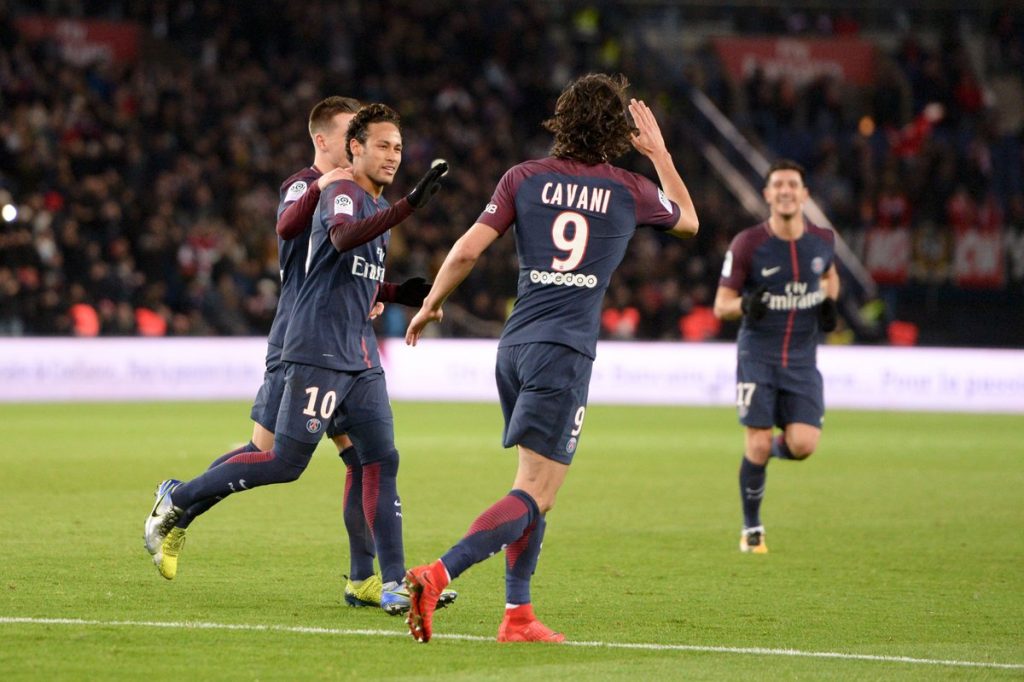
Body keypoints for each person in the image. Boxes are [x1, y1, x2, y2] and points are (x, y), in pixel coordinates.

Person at [401, 73, 700, 643]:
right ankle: (437, 574)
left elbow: (466, 250)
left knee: (533, 490)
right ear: (617, 132)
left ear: (562, 119)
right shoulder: (630, 188)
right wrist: (659, 154)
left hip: (515, 347)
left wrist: (431, 304)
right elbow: (689, 221)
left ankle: (518, 616)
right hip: (563, 353)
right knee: (536, 494)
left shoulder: (523, 177)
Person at [144, 102, 452, 614]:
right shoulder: (323, 188)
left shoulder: (370, 204)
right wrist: (405, 205)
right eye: (378, 143)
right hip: (306, 339)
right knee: (278, 458)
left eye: (398, 147)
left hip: (354, 346)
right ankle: (178, 501)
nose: (391, 155)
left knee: (373, 459)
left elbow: (350, 270)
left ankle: (383, 580)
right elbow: (308, 232)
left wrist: (396, 293)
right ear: (339, 142)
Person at [712, 159, 840, 554]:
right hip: (758, 357)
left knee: (804, 445)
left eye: (792, 185)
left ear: (804, 194)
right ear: (767, 194)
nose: (785, 191)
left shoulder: (823, 240)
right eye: (778, 185)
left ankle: (763, 453)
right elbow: (721, 305)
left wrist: (829, 303)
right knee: (757, 443)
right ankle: (752, 529)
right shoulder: (748, 244)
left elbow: (829, 276)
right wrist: (746, 305)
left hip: (802, 360)